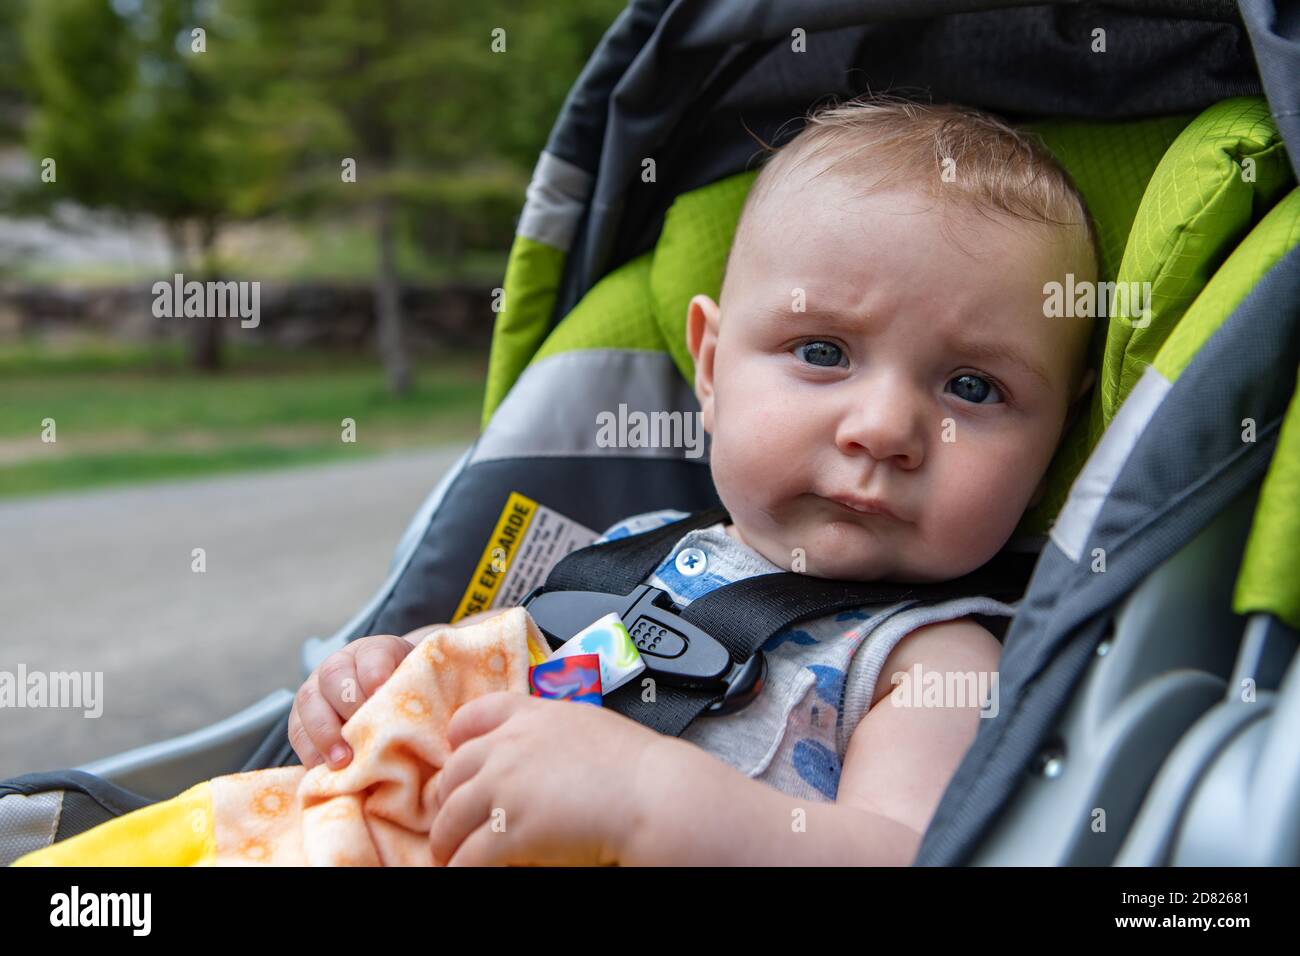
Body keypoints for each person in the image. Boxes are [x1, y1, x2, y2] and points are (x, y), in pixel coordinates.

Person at [289, 96, 1099, 865]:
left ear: (1051, 453)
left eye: (973, 388)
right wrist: (390, 678)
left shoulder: (931, 663)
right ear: (711, 369)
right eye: (823, 352)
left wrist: (652, 799)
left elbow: (907, 850)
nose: (883, 429)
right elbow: (513, 678)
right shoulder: (624, 558)